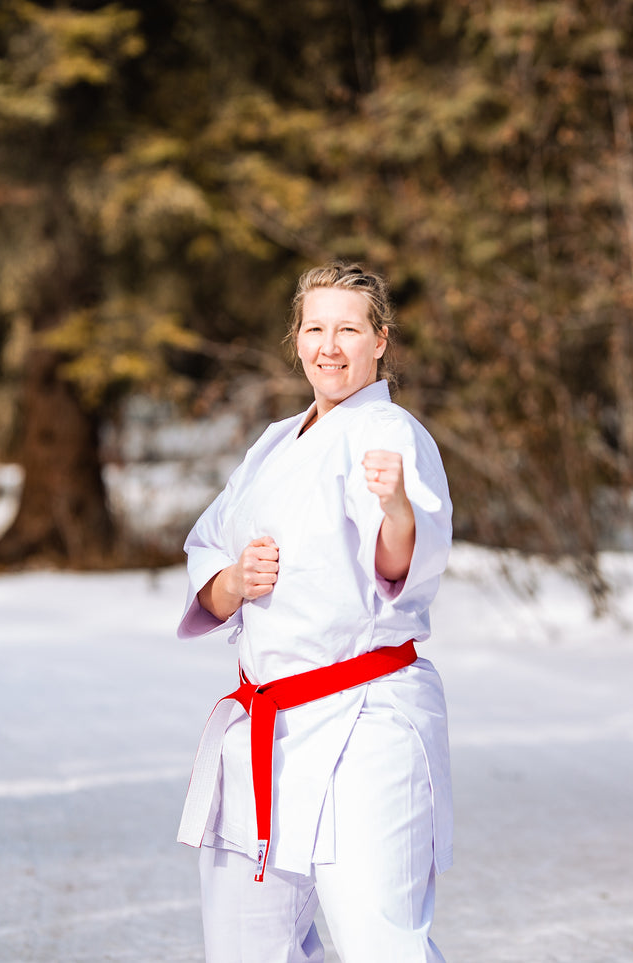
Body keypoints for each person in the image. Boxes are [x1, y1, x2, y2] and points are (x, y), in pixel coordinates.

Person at [176, 261, 454, 963]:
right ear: (295, 338)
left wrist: (393, 507)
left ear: (380, 340)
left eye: (348, 330)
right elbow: (208, 553)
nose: (329, 346)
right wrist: (235, 579)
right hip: (265, 729)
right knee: (246, 947)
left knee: (378, 943)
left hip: (366, 720)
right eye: (315, 328)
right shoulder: (274, 441)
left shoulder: (388, 432)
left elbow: (401, 565)